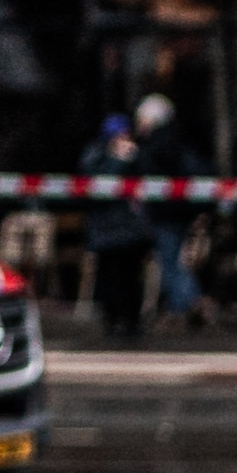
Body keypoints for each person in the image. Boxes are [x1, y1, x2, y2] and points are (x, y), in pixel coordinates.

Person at [130, 94, 205, 328]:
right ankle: (185, 303)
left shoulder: (154, 145)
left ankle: (187, 302)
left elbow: (147, 177)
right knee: (174, 259)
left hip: (165, 213)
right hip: (180, 211)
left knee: (170, 260)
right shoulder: (179, 140)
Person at [80, 114, 153, 340]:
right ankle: (112, 321)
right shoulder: (96, 154)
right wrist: (118, 161)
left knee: (131, 278)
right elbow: (97, 185)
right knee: (110, 278)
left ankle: (132, 322)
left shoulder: (134, 153)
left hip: (130, 231)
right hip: (107, 231)